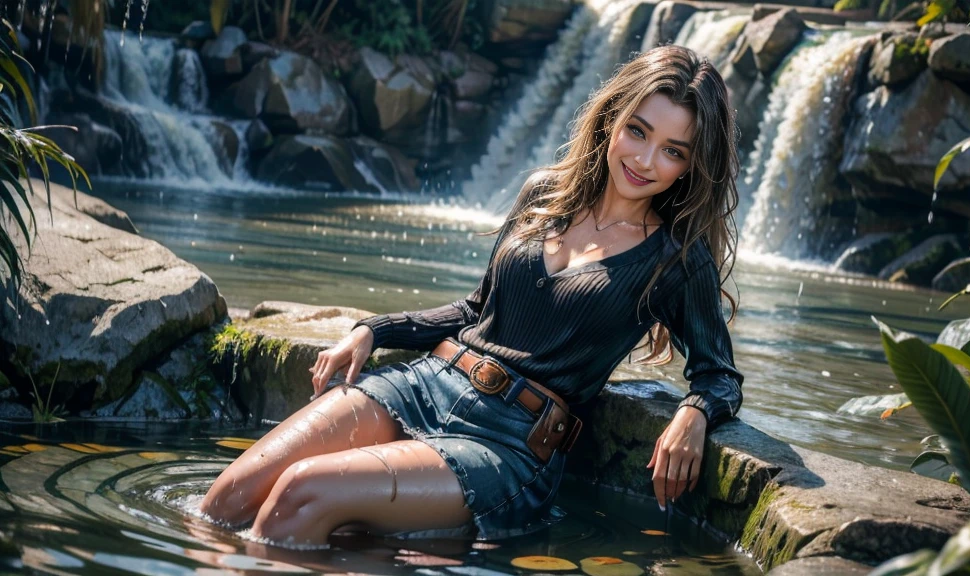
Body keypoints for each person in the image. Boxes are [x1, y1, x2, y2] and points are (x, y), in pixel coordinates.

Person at [199, 44, 744, 547]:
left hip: (508, 445)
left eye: (672, 151)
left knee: (300, 495)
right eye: (638, 131)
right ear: (612, 119)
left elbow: (718, 373)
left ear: (692, 165)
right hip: (426, 384)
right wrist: (375, 329)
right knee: (224, 501)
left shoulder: (678, 258)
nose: (645, 160)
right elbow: (478, 310)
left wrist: (693, 413)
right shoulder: (543, 194)